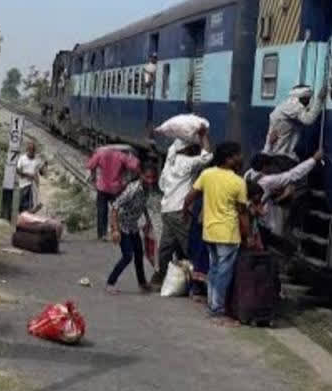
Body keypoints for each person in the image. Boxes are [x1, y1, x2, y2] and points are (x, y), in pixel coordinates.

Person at [183, 141, 249, 321]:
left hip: (209, 232)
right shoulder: (238, 182)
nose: (241, 158)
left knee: (213, 270)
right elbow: (242, 213)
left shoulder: (207, 174)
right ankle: (217, 310)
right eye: (237, 154)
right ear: (228, 159)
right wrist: (248, 235)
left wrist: (185, 212)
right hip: (228, 234)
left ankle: (212, 305)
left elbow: (191, 196)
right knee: (223, 273)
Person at [150, 129, 213, 286]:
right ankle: (196, 283)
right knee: (190, 246)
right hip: (179, 211)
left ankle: (160, 276)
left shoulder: (169, 163)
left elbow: (162, 185)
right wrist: (204, 136)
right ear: (188, 149)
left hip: (166, 210)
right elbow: (207, 157)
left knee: (166, 245)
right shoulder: (187, 162)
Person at [249, 149, 324, 240]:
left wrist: (313, 160)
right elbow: (291, 175)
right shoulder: (263, 184)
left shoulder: (265, 181)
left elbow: (291, 175)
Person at [106, 170, 157, 294]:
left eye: (152, 178)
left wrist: (148, 221)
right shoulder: (133, 189)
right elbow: (115, 207)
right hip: (122, 225)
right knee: (128, 256)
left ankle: (142, 283)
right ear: (141, 176)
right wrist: (115, 230)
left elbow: (142, 205)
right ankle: (110, 283)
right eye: (147, 177)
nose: (150, 181)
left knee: (139, 254)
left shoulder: (146, 189)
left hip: (133, 225)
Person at [86, 145, 140, 240]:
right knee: (117, 210)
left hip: (102, 188)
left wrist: (93, 176)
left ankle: (102, 234)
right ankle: (118, 231)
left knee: (101, 211)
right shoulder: (121, 156)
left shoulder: (100, 154)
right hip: (116, 188)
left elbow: (90, 165)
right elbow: (135, 166)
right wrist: (131, 156)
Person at [263, 84, 327, 159]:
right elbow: (308, 119)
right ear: (301, 97)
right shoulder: (293, 105)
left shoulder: (287, 104)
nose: (308, 102)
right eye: (307, 99)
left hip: (277, 150)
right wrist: (319, 99)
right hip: (279, 154)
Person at [15, 141, 45, 213]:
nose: (32, 151)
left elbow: (41, 173)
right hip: (23, 184)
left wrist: (43, 167)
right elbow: (18, 170)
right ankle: (21, 218)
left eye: (33, 150)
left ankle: (28, 219)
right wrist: (27, 174)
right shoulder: (22, 158)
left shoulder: (37, 159)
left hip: (33, 185)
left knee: (31, 205)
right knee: (22, 205)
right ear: (27, 150)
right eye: (30, 149)